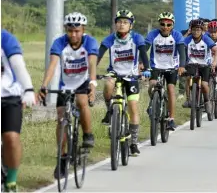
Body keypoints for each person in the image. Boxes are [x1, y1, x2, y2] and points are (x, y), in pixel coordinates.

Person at [38, 12, 98, 179]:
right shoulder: (59, 43)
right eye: (70, 31)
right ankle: (62, 157)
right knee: (60, 117)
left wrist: (92, 83)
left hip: (83, 82)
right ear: (66, 30)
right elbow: (52, 65)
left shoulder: (90, 42)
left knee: (81, 100)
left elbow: (92, 63)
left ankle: (87, 134)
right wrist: (44, 85)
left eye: (77, 31)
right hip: (65, 85)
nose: (73, 34)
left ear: (83, 30)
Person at [97, 10, 150, 156]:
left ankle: (133, 142)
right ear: (115, 24)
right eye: (119, 22)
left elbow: (144, 53)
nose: (122, 24)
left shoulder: (137, 38)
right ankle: (109, 111)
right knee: (108, 85)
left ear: (131, 26)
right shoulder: (109, 39)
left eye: (125, 22)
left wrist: (147, 69)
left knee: (133, 106)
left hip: (131, 74)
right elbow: (98, 55)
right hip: (114, 72)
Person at [1, 29, 36, 192]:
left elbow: (17, 64)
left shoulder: (5, 39)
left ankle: (11, 181)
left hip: (8, 95)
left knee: (11, 137)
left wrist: (28, 89)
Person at [145, 12, 186, 127]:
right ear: (159, 24)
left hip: (171, 67)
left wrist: (182, 66)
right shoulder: (153, 34)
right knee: (152, 84)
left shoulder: (177, 35)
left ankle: (171, 119)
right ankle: (152, 103)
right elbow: (145, 49)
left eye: (169, 25)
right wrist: (141, 63)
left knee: (171, 89)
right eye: (162, 24)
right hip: (155, 66)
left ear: (172, 25)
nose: (165, 27)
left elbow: (182, 53)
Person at [184, 19, 217, 114]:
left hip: (205, 65)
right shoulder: (187, 39)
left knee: (204, 85)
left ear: (202, 30)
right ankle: (188, 99)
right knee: (188, 78)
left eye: (198, 30)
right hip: (191, 63)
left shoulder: (206, 39)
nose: (196, 32)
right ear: (191, 30)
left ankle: (207, 101)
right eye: (194, 30)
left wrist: (214, 62)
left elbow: (216, 50)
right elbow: (181, 49)